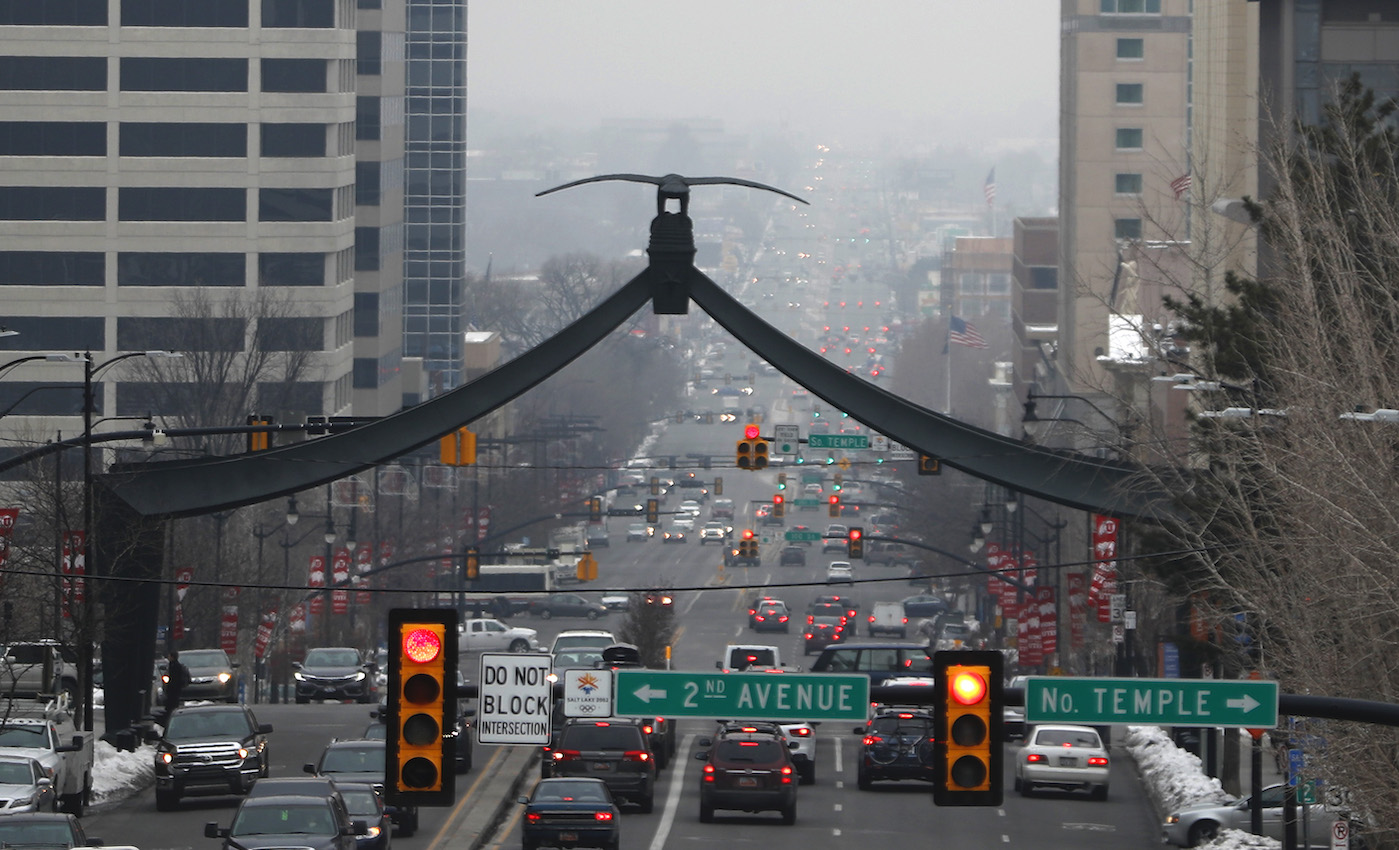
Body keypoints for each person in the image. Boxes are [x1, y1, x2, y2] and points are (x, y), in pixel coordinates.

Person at [164, 649, 189, 717]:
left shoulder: (173, 666)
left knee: (172, 702)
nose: (168, 657)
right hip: (177, 688)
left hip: (173, 687)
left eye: (169, 656)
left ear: (172, 657)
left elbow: (173, 678)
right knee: (174, 701)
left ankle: (170, 713)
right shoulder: (177, 665)